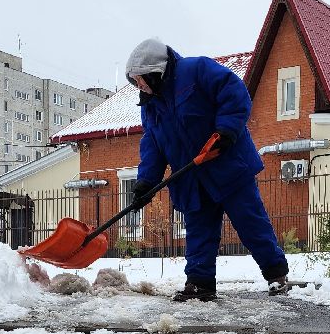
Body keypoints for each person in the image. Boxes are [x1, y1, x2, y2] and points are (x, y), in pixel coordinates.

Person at [125, 38, 291, 301]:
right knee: (199, 231)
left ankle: (277, 276)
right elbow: (153, 144)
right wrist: (146, 182)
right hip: (192, 177)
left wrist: (226, 129)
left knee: (251, 223)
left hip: (228, 165)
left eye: (141, 78)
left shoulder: (197, 70)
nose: (139, 85)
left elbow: (233, 91)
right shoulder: (150, 105)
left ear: (156, 71)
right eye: (135, 80)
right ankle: (200, 284)